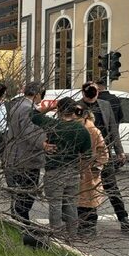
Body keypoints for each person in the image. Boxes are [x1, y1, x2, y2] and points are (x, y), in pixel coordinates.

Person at [80, 81, 129, 231]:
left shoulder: (104, 105)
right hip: (85, 155)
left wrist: (119, 151)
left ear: (98, 92)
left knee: (112, 187)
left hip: (104, 153)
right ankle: (88, 222)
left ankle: (123, 217)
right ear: (83, 93)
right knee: (88, 189)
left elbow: (113, 129)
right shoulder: (78, 107)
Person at [32, 98, 92, 237]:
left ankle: (56, 233)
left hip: (54, 171)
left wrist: (50, 107)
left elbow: (33, 115)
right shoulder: (81, 130)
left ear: (59, 110)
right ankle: (72, 234)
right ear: (73, 111)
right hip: (73, 171)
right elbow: (87, 155)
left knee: (55, 204)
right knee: (71, 203)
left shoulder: (53, 125)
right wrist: (82, 171)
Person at [4, 82, 55, 224]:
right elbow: (30, 131)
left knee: (21, 193)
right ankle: (22, 222)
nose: (42, 99)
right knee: (27, 194)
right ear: (37, 94)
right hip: (26, 158)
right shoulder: (27, 108)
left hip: (16, 156)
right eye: (42, 95)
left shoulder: (18, 105)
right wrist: (43, 144)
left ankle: (18, 219)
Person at [76, 103, 109, 237]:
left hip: (88, 170)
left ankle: (88, 228)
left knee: (88, 200)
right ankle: (84, 227)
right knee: (84, 199)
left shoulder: (92, 130)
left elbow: (103, 152)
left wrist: (96, 166)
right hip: (83, 169)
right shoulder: (83, 128)